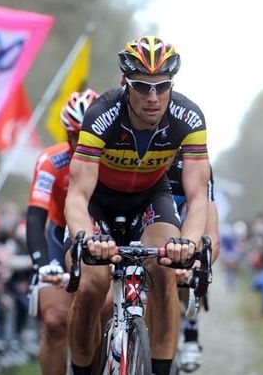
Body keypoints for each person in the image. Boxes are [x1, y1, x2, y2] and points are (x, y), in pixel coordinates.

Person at [64, 35, 211, 375]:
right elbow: (77, 194)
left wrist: (187, 242)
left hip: (149, 198)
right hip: (99, 202)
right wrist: (86, 236)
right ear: (124, 83)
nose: (153, 97)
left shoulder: (189, 117)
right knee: (92, 284)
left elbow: (197, 195)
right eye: (142, 86)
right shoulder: (102, 114)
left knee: (164, 269)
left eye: (162, 86)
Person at [26, 88, 99, 375]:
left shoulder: (118, 163)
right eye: (74, 137)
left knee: (101, 316)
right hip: (60, 237)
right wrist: (41, 264)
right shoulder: (50, 162)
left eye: (89, 137)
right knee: (56, 322)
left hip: (102, 237)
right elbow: (35, 216)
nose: (81, 145)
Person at [167, 151, 220, 372]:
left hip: (186, 220)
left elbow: (211, 236)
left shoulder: (195, 161)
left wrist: (195, 266)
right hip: (148, 219)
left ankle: (190, 330)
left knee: (194, 261)